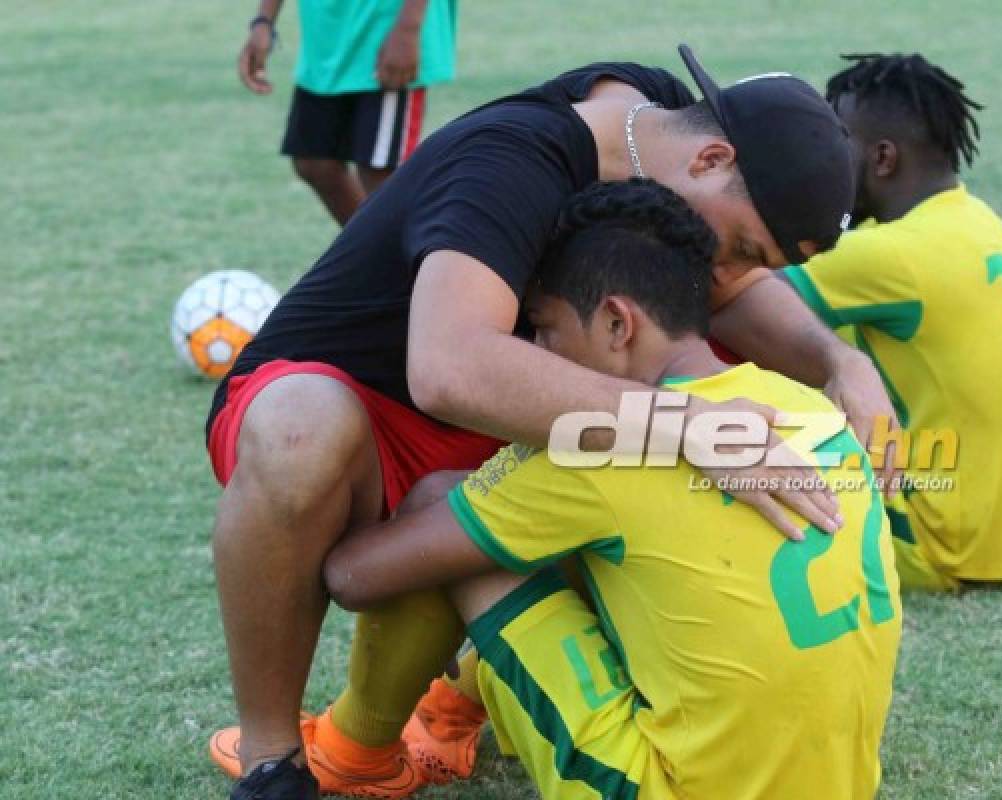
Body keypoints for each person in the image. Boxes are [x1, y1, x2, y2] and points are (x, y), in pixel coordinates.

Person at [205, 46, 898, 800]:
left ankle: (449, 709)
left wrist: (839, 362)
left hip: (510, 400)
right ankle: (273, 759)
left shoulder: (654, 121)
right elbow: (449, 367)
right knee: (304, 427)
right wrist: (676, 421)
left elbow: (725, 295)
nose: (723, 277)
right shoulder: (512, 158)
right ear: (709, 158)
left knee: (637, 415)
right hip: (368, 409)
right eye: (737, 249)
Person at [322, 178, 903, 800]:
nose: (537, 353)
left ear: (616, 322)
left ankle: (352, 753)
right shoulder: (799, 403)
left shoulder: (601, 448)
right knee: (539, 535)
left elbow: (355, 577)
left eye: (543, 329)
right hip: (837, 786)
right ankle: (452, 710)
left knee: (451, 517)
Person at [781, 53, 1002, 591]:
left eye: (836, 142)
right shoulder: (973, 220)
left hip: (932, 548)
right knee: (818, 321)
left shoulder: (894, 255)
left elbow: (730, 301)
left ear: (882, 158)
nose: (823, 161)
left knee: (735, 331)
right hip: (996, 542)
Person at [237, 0, 457, 225]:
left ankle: (403, 254)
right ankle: (373, 252)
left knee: (380, 171)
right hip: (326, 36)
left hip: (388, 29)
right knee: (314, 161)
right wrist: (264, 21)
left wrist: (408, 28)